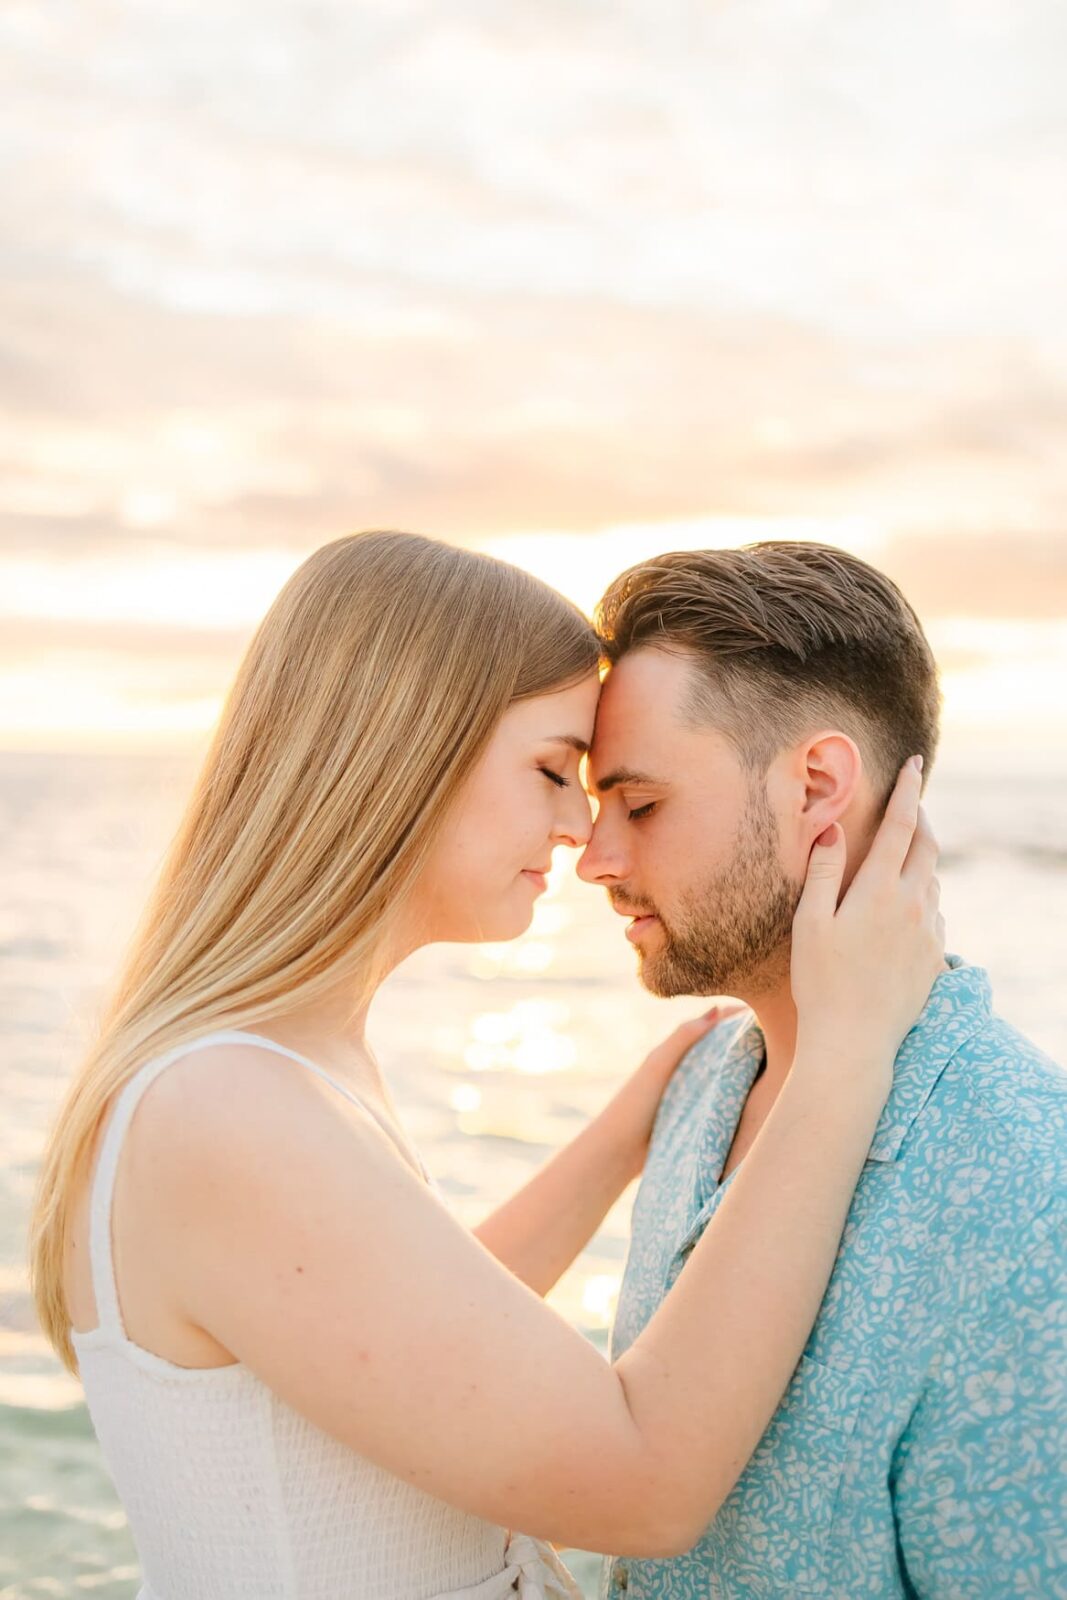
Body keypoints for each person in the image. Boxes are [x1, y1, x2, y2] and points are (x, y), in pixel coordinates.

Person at [29, 531, 942, 1600]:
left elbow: (409, 1330)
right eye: (555, 770)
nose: (577, 831)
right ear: (402, 751)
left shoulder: (277, 1064)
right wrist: (843, 1052)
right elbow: (642, 1484)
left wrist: (617, 1140)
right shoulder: (224, 1106)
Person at [581, 541, 1067, 1600]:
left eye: (642, 804)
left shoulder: (1030, 1189)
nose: (596, 858)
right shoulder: (702, 1089)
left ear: (814, 786)